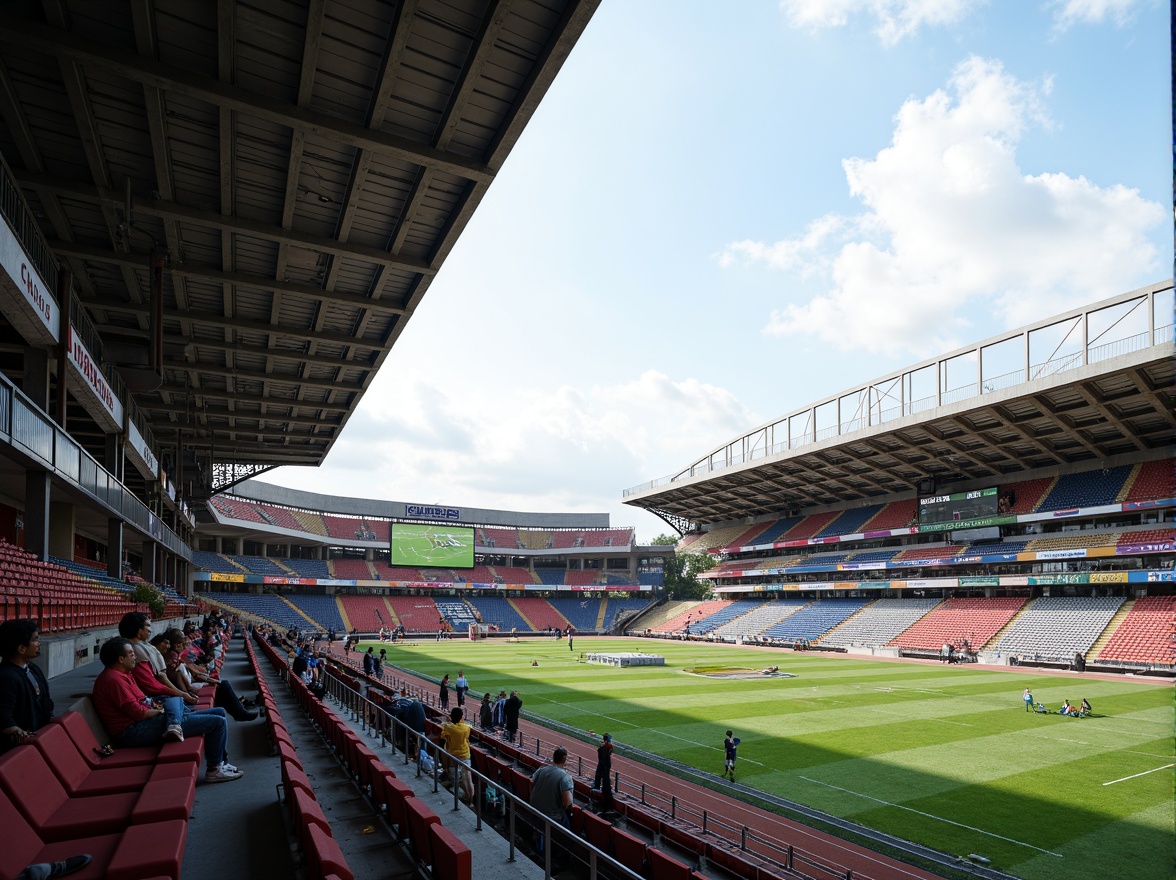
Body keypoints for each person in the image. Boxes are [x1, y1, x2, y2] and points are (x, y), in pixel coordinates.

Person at [91, 638, 241, 783]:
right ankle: (214, 769)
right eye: (131, 654)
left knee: (218, 711)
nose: (135, 657)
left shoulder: (124, 674)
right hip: (132, 732)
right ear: (120, 659)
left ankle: (220, 760)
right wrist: (160, 710)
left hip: (144, 722)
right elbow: (139, 713)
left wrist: (158, 707)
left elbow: (144, 701)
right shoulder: (114, 680)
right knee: (217, 722)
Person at [0, 619, 54, 754]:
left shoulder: (33, 669)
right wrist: (14, 729)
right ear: (21, 648)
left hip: (41, 737)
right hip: (21, 750)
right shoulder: (7, 677)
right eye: (35, 639)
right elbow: (4, 714)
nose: (39, 643)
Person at [529, 746, 574, 855]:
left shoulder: (541, 769)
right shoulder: (565, 777)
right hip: (551, 816)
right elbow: (568, 803)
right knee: (567, 825)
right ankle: (560, 852)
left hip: (534, 809)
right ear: (565, 760)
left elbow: (532, 783)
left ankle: (538, 842)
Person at [439, 707, 475, 802]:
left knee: (457, 778)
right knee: (468, 777)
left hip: (453, 755)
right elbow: (465, 727)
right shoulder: (466, 727)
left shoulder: (448, 727)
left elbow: (443, 732)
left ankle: (464, 798)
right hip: (465, 754)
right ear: (461, 717)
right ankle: (470, 800)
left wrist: (450, 720)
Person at [593, 732, 614, 810]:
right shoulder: (607, 746)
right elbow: (611, 750)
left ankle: (598, 789)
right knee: (605, 783)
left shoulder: (604, 746)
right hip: (605, 766)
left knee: (599, 779)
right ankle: (606, 803)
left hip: (602, 765)